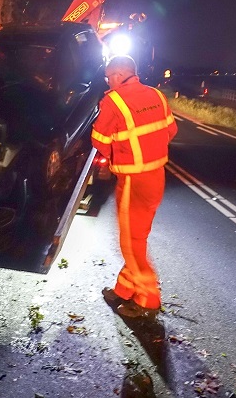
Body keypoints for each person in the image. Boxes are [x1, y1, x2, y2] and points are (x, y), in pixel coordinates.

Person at [91, 55, 178, 319]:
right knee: (138, 236)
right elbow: (170, 130)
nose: (108, 82)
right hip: (156, 177)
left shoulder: (113, 101)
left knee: (131, 243)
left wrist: (118, 152)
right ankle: (124, 289)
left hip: (133, 181)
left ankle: (148, 300)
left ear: (118, 75)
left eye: (108, 78)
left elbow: (99, 140)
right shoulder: (157, 95)